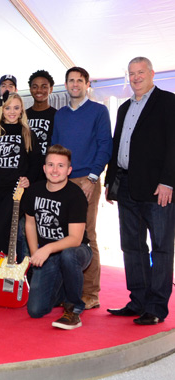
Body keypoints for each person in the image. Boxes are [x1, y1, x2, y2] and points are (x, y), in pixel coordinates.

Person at [105, 57, 175, 325]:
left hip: (158, 190)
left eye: (140, 72)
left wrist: (169, 182)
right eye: (131, 73)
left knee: (161, 248)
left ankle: (156, 307)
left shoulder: (168, 102)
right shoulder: (123, 108)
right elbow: (117, 145)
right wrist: (110, 181)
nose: (135, 77)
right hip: (126, 186)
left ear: (152, 73)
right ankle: (138, 301)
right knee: (131, 247)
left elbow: (173, 144)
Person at [51, 67, 112, 311]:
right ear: (65, 84)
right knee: (61, 236)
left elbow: (105, 146)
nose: (75, 84)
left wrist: (93, 178)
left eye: (79, 80)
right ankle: (66, 291)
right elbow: (54, 148)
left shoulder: (99, 111)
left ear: (87, 84)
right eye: (71, 80)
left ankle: (90, 293)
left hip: (87, 180)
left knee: (87, 235)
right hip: (60, 181)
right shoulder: (61, 114)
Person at [24, 145, 92, 330]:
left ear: (69, 170)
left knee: (68, 256)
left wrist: (45, 249)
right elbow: (29, 223)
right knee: (36, 310)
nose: (55, 170)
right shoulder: (34, 190)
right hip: (49, 255)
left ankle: (74, 310)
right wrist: (34, 253)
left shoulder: (75, 195)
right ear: (44, 168)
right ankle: (63, 285)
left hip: (77, 251)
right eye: (51, 165)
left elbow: (75, 239)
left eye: (61, 166)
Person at [0, 92, 41, 260]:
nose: (12, 111)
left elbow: (36, 162)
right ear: (2, 109)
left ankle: (9, 265)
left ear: (22, 110)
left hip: (16, 192)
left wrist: (28, 178)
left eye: (16, 107)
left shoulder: (28, 133)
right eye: (8, 107)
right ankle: (5, 271)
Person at [26, 70, 57, 158]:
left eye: (44, 87)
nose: (39, 90)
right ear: (30, 89)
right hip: (26, 169)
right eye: (35, 87)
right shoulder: (22, 116)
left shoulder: (57, 116)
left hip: (48, 168)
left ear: (50, 89)